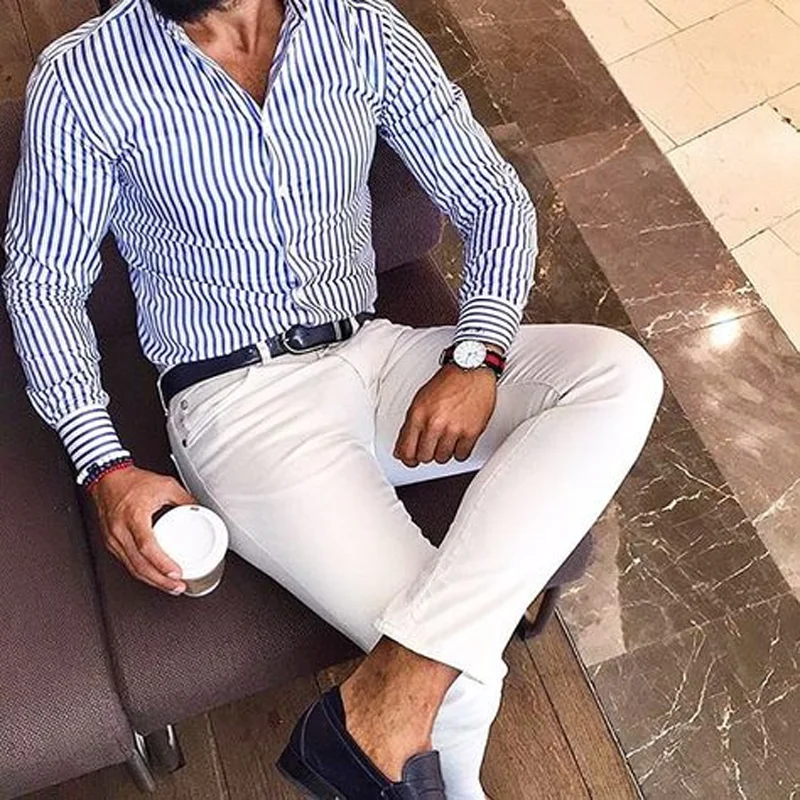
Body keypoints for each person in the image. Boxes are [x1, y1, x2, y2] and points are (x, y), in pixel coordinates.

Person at [2, 0, 664, 796]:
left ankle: (379, 708)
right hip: (238, 403)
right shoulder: (84, 77)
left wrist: (477, 355)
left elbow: (492, 197)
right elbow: (42, 283)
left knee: (616, 372)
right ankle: (408, 710)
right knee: (457, 680)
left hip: (377, 352)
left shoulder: (360, 26)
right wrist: (105, 467)